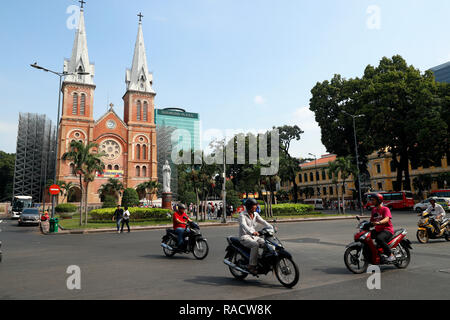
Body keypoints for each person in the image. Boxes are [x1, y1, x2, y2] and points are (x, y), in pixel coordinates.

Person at [239, 198, 273, 275]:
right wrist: (252, 232)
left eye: (255, 207)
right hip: (245, 237)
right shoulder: (242, 215)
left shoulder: (255, 214)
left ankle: (262, 261)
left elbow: (263, 221)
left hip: (254, 237)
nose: (254, 209)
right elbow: (244, 225)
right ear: (248, 207)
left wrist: (271, 227)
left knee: (266, 243)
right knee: (255, 245)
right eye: (253, 208)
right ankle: (251, 266)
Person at [369, 193, 395, 262]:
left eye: (373, 200)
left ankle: (390, 255)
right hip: (378, 230)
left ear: (379, 200)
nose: (372, 201)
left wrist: (379, 222)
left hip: (387, 230)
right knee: (367, 237)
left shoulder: (385, 209)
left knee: (379, 239)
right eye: (371, 200)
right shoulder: (374, 210)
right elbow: (371, 221)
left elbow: (387, 219)